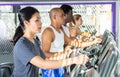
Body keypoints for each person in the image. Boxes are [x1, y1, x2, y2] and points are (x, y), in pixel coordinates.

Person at [11, 6, 89, 77]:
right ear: (26, 23)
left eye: (40, 19)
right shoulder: (22, 45)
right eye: (37, 20)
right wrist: (73, 60)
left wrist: (68, 55)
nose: (40, 22)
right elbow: (44, 64)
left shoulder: (35, 41)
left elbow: (47, 59)